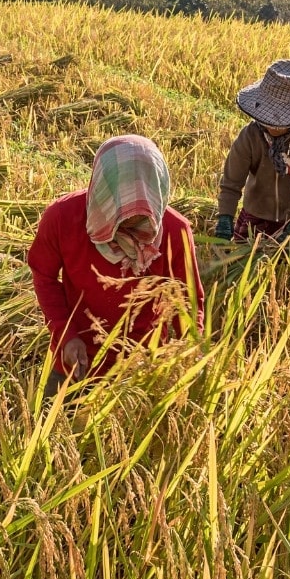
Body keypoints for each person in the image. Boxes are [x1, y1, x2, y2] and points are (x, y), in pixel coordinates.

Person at [27, 134, 205, 398]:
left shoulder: (175, 231)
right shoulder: (63, 218)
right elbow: (44, 277)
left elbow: (186, 300)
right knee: (52, 432)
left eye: (140, 218)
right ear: (102, 191)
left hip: (144, 369)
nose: (131, 225)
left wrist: (187, 355)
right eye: (120, 215)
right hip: (76, 361)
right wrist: (66, 333)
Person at [214, 59, 290, 245]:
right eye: (268, 119)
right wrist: (225, 217)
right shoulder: (251, 136)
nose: (272, 126)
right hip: (256, 221)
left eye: (279, 121)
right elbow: (231, 183)